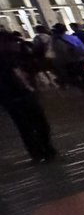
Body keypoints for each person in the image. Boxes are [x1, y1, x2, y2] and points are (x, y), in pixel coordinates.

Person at [0, 30, 56, 164]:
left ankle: (45, 148)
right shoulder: (5, 60)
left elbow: (31, 69)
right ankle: (39, 152)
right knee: (26, 126)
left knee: (40, 124)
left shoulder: (18, 56)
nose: (15, 44)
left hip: (24, 94)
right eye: (11, 42)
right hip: (12, 97)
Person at [50, 24, 84, 91]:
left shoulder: (54, 42)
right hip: (79, 59)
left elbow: (55, 54)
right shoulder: (73, 37)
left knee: (73, 76)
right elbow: (83, 48)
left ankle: (82, 87)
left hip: (67, 62)